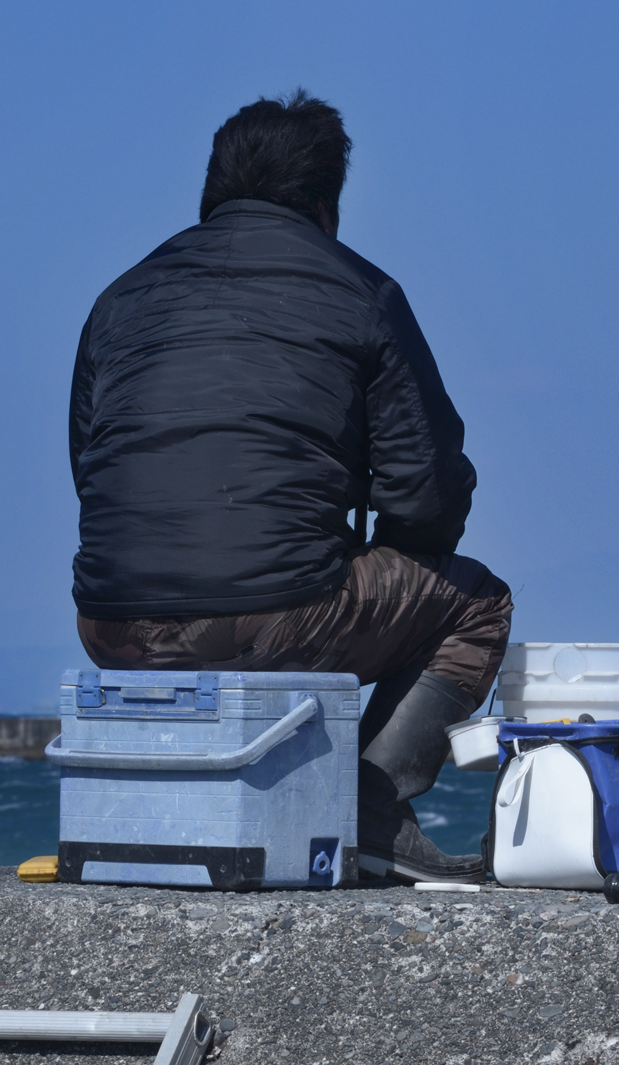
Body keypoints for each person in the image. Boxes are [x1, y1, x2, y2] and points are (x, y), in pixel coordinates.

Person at [67, 90, 511, 884]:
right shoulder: (362, 293)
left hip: (110, 624)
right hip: (275, 611)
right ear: (323, 205)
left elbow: (90, 468)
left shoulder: (119, 298)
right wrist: (365, 562)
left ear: (211, 196)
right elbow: (428, 490)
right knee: (476, 604)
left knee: (260, 594)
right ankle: (373, 809)